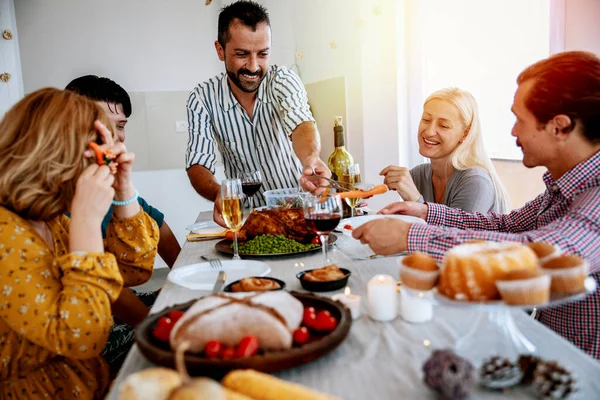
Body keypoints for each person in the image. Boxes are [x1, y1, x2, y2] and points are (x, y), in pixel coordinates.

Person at [353, 51, 600, 359]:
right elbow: (504, 225)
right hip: (547, 346)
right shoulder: (562, 187)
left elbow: (537, 250)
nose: (513, 132)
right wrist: (426, 211)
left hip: (584, 367)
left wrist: (409, 236)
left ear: (560, 127)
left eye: (519, 120)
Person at [0, 88, 159, 398]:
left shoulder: (51, 220)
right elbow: (83, 336)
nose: (105, 166)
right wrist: (86, 222)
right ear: (59, 156)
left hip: (87, 383)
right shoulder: (6, 233)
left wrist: (124, 189)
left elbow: (133, 271)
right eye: (99, 156)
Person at [185, 0, 330, 226]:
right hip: (248, 221)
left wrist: (311, 157)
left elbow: (301, 124)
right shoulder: (202, 98)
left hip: (298, 214)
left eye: (262, 54)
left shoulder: (283, 80)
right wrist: (218, 192)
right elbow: (198, 163)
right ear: (220, 50)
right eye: (242, 54)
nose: (253, 66)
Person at [66, 75, 181, 268]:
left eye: (120, 126)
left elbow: (159, 226)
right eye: (101, 126)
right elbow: (100, 282)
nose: (114, 136)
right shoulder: (56, 201)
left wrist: (182, 278)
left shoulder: (114, 187)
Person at [380, 87, 508, 213]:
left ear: (465, 133)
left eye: (443, 126)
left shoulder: (476, 182)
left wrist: (414, 200)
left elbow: (453, 233)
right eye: (426, 120)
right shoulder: (418, 175)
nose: (429, 131)